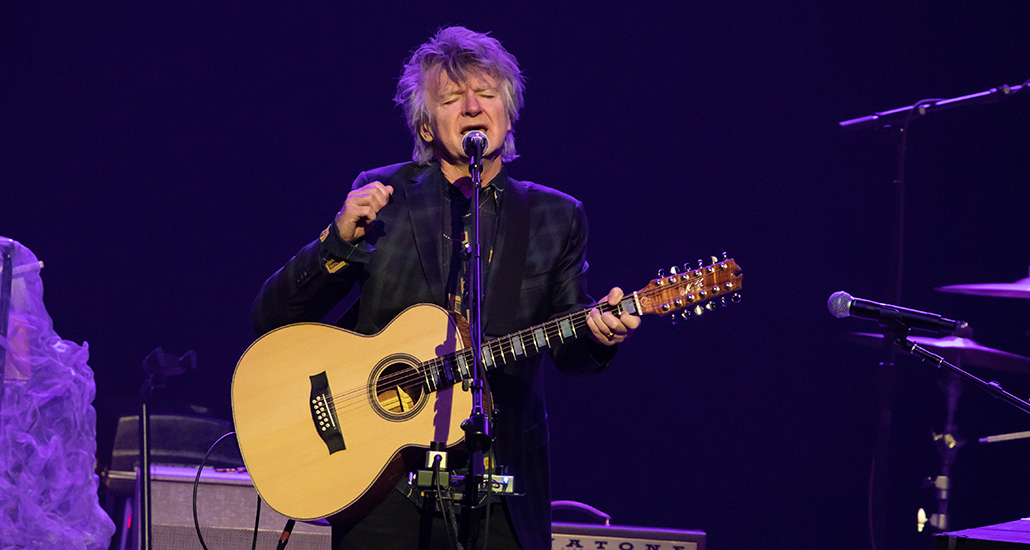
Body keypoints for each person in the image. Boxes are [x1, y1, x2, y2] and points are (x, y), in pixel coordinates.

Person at [251, 26, 640, 550]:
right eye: (453, 98)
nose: (473, 106)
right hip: (384, 490)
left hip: (500, 488)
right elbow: (273, 318)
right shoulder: (384, 194)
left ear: (508, 111)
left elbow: (569, 347)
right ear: (427, 126)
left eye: (487, 94)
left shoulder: (556, 215)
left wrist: (599, 335)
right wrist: (334, 243)